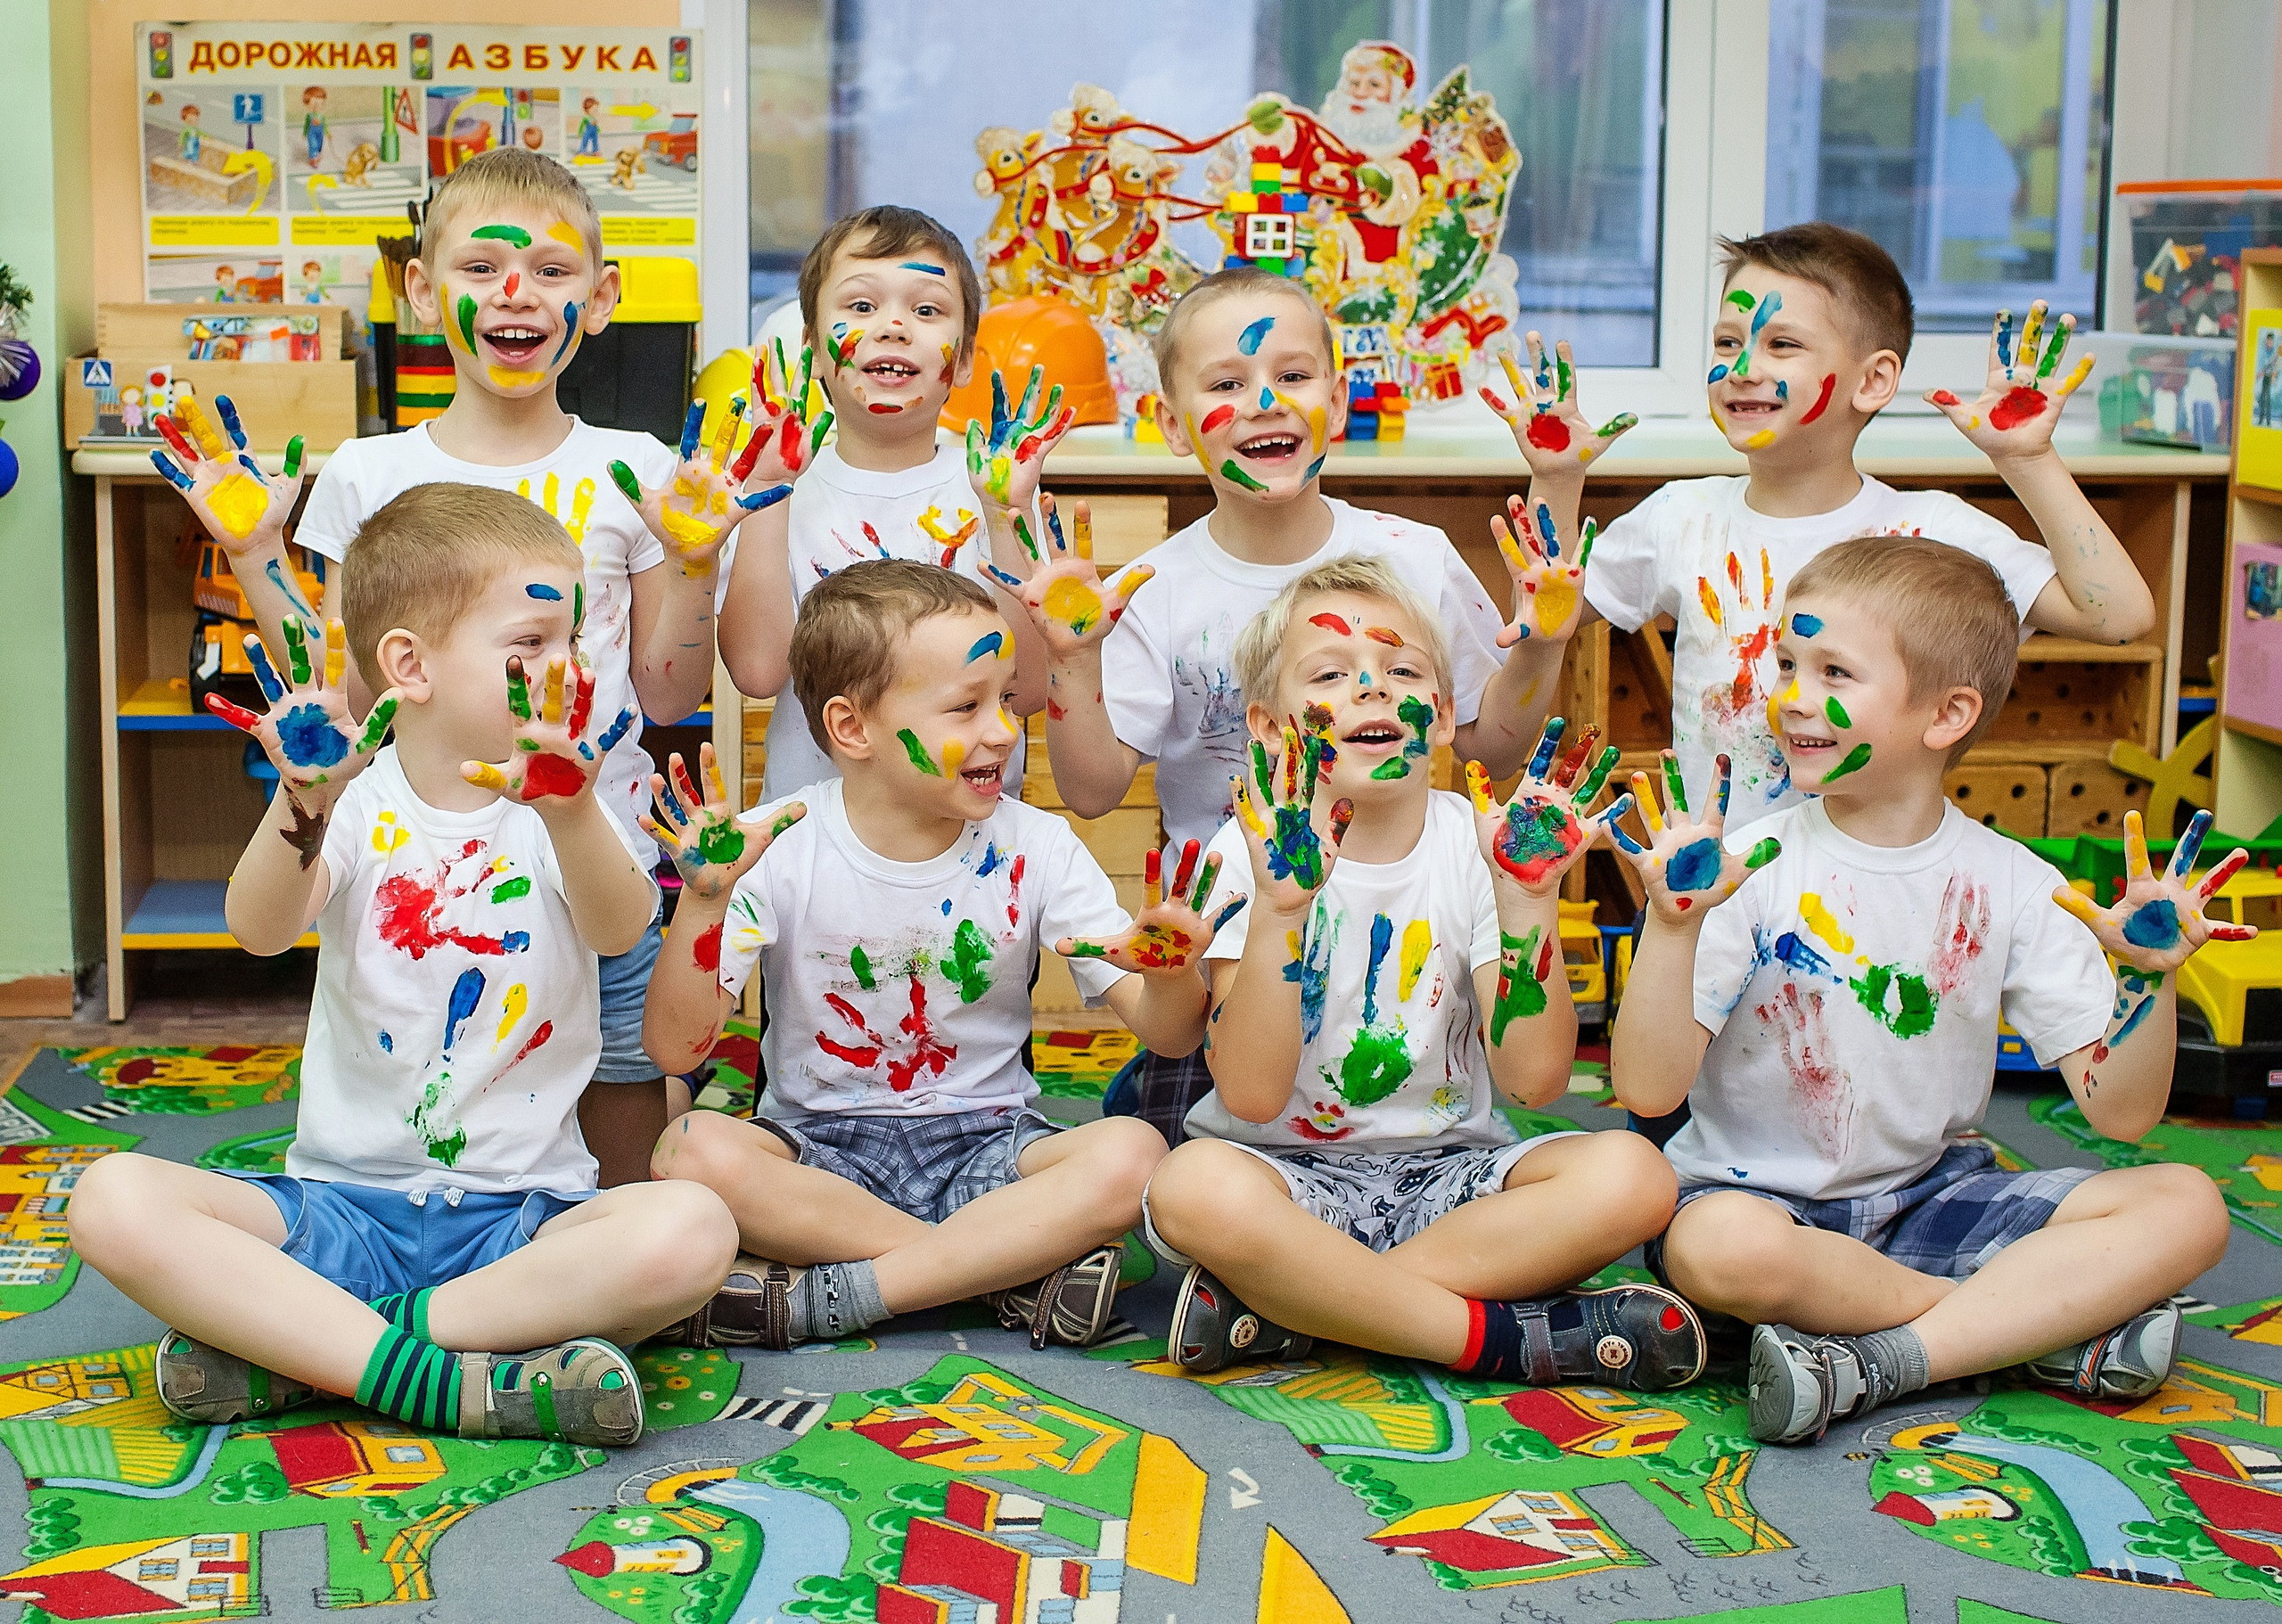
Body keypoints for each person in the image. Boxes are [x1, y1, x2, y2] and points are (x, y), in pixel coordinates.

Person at [149, 147, 776, 1186]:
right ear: (420, 290)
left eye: (551, 269)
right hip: (420, 862)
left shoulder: (639, 471)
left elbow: (668, 692)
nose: (515, 291)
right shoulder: (369, 471)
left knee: (624, 1132)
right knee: (436, 1095)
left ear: (601, 298)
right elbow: (344, 699)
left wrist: (697, 561)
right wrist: (257, 558)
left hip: (597, 854)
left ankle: (583, 1256)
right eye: (480, 267)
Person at [68, 484, 739, 1449]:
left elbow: (619, 928)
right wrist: (301, 802)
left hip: (521, 1223)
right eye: (531, 644)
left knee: (693, 1228)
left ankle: (320, 1349)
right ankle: (448, 1376)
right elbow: (258, 930)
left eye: (572, 640)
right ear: (409, 666)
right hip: (341, 1213)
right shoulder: (357, 803)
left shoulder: (563, 807)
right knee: (111, 1201)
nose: (566, 667)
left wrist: (571, 814)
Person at [1610, 536, 2237, 1446]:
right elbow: (1645, 1089)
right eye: (1786, 664)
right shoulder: (1744, 867)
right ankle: (2023, 1328)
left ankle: (1885, 1356)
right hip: (1758, 1208)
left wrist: (2148, 980)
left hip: (1931, 1199)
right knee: (1719, 1248)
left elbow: (2123, 1113)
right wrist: (1670, 931)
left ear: (1946, 715)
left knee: (2188, 1204)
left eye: (1832, 671)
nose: (1790, 696)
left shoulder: (2015, 883)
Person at [1010, 265, 1556, 1143]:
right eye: (1227, 383)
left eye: (1292, 375)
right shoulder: (1151, 588)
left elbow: (1492, 745)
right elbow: (1092, 790)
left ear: (1336, 403)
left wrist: (1544, 643)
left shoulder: (1414, 558)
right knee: (1170, 1164)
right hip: (1226, 954)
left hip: (1408, 938)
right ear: (1171, 423)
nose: (1264, 401)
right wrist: (1073, 660)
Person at [1141, 556, 1707, 1390]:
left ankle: (1307, 1306)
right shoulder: (1250, 851)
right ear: (1268, 728)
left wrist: (1527, 901)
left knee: (1635, 1176)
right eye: (1331, 674)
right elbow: (1252, 1097)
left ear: (1441, 715)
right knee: (1191, 1187)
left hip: (1449, 1178)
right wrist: (1282, 912)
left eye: (1401, 670)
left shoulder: (1479, 846)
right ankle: (1488, 1337)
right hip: (1282, 1176)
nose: (1373, 687)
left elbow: (1536, 1082)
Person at [645, 562, 1220, 1350]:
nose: (1004, 731)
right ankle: (999, 1271)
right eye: (965, 707)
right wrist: (704, 905)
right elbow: (676, 1051)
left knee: (1133, 1153)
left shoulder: (1037, 844)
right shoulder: (773, 845)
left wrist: (1172, 975)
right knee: (690, 1150)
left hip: (989, 1146)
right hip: (820, 1153)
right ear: (853, 728)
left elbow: (1171, 1036)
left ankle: (841, 1295)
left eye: (1007, 699)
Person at [1492, 222, 2153, 835]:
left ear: (1874, 380)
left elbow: (2118, 617)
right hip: (1710, 889)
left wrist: (2027, 459)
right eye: (1727, 343)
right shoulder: (1682, 516)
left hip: (1869, 887)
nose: (1742, 368)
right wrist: (1556, 477)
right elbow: (1545, 611)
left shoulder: (1929, 530)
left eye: (1781, 344)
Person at [718, 203, 1058, 808]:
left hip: (975, 838)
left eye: (926, 311)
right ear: (812, 349)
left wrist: (1005, 514)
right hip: (812, 831)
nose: (894, 326)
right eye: (861, 305)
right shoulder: (781, 490)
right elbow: (757, 673)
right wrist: (769, 491)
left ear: (965, 357)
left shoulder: (995, 489)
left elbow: (1029, 689)